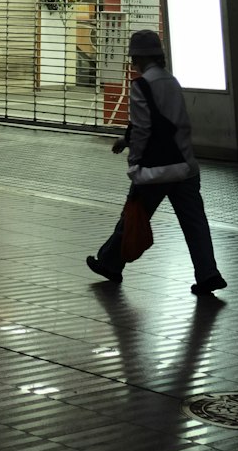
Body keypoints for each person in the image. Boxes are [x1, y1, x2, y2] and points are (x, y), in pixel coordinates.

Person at [86, 28, 227, 295]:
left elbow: (143, 129)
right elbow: (167, 122)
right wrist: (126, 140)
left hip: (155, 172)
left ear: (136, 58)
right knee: (195, 223)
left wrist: (134, 164)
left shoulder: (141, 86)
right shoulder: (172, 82)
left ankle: (109, 263)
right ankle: (209, 273)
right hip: (185, 167)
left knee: (133, 216)